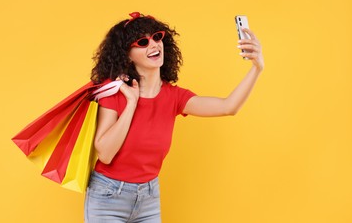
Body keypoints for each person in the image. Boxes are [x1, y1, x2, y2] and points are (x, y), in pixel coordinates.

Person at [84, 12, 264, 222]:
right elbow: (105, 153)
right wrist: (132, 103)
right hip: (108, 196)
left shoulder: (175, 97)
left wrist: (257, 68)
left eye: (157, 37)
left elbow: (228, 107)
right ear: (127, 55)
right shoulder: (116, 92)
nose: (153, 45)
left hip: (149, 197)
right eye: (142, 42)